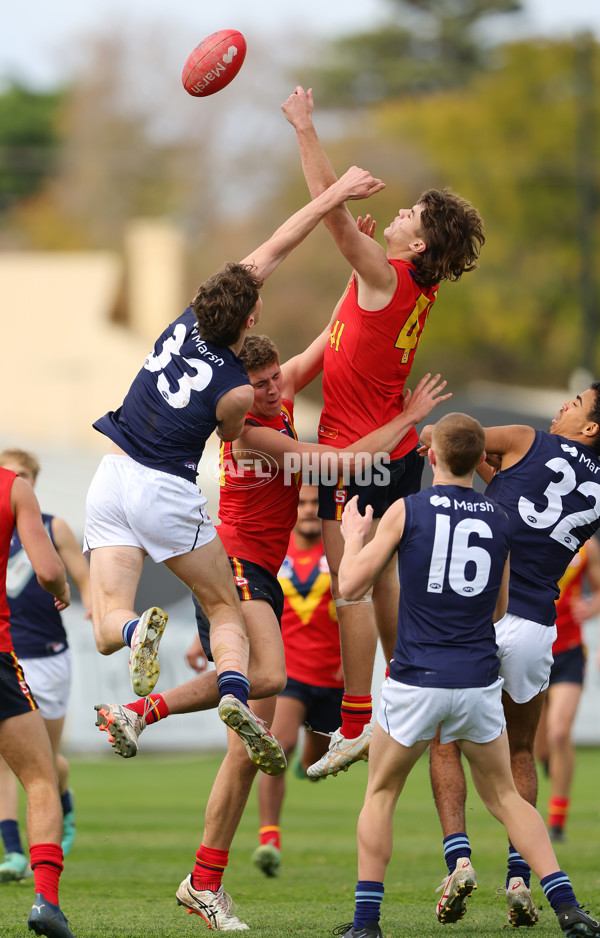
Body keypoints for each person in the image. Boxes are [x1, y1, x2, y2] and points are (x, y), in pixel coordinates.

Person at [94, 327, 450, 930]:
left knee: (246, 738)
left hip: (259, 571)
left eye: (274, 377)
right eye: (257, 384)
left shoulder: (277, 393)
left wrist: (352, 257)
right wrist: (410, 418)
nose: (271, 388)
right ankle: (141, 712)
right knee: (269, 678)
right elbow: (345, 461)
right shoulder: (252, 431)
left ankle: (203, 880)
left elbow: (328, 344)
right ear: (239, 387)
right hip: (234, 565)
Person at [84, 164, 385, 775]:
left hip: (109, 474)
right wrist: (340, 198)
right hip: (163, 488)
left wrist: (334, 199)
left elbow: (274, 244)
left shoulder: (185, 318)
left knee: (106, 622)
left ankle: (140, 628)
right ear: (248, 320)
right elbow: (226, 432)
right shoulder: (239, 396)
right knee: (224, 610)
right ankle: (232, 692)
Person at [281, 86, 486, 778]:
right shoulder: (409, 284)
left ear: (417, 242)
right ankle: (402, 691)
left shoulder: (388, 276)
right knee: (383, 584)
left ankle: (361, 718)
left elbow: (331, 219)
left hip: (360, 455)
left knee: (352, 589)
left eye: (411, 213)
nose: (399, 212)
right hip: (391, 451)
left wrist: (308, 131)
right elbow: (351, 307)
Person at [334, 412, 600, 938]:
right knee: (505, 792)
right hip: (481, 678)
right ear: (482, 461)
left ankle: (367, 924)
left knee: (381, 794)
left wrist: (353, 535)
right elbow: (499, 608)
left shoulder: (409, 510)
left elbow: (349, 587)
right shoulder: (501, 520)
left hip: (417, 677)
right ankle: (567, 908)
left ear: (432, 455)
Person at [423, 383, 600, 927]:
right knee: (521, 750)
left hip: (480, 612)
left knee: (446, 739)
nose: (565, 405)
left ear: (591, 427)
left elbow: (452, 440)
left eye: (577, 403)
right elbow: (527, 505)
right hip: (536, 626)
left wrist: (434, 438)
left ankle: (458, 859)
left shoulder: (527, 438)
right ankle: (519, 876)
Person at [0, 449, 90, 882]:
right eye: (12, 474)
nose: (18, 481)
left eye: (25, 476)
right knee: (4, 760)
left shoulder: (53, 527)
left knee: (46, 762)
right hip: (6, 655)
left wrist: (95, 607)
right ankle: (14, 852)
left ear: (34, 481)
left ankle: (64, 797)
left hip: (47, 655)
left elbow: (81, 577)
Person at [251, 484, 344, 879]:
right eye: (301, 502)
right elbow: (241, 592)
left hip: (333, 675)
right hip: (288, 673)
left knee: (312, 765)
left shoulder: (340, 549)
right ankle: (269, 838)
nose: (307, 509)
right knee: (278, 745)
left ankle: (312, 745)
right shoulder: (274, 550)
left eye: (314, 503)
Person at [534, 536, 600, 842]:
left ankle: (557, 820)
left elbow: (598, 591)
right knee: (540, 747)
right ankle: (550, 761)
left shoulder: (588, 547)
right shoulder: (531, 533)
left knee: (560, 733)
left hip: (570, 652)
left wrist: (592, 606)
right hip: (533, 651)